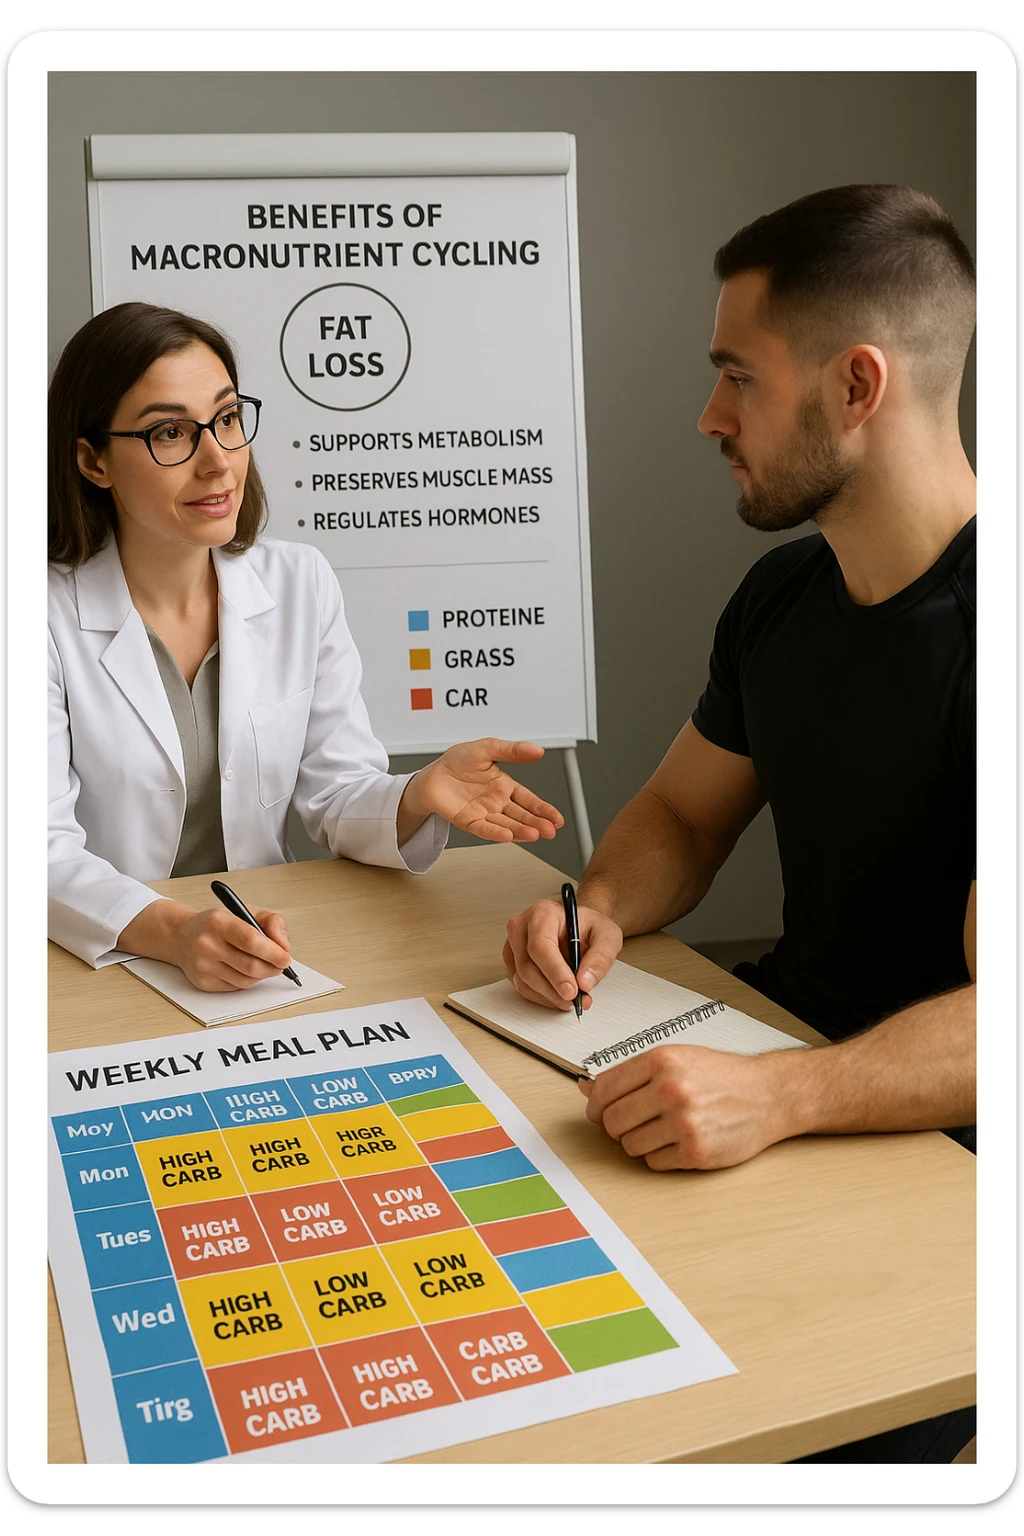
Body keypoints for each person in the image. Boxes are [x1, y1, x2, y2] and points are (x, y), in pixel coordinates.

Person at [503, 185, 976, 1170]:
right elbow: (683, 817)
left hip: (923, 1138)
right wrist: (598, 906)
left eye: (737, 378)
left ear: (855, 387)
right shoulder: (781, 594)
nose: (708, 417)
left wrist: (780, 1095)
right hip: (778, 1056)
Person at [49, 301, 564, 990]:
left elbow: (337, 795)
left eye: (227, 419)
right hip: (95, 958)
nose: (217, 461)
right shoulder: (40, 615)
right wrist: (175, 930)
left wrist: (418, 795)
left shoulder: (299, 582)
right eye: (170, 432)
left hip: (260, 945)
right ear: (93, 460)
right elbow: (39, 850)